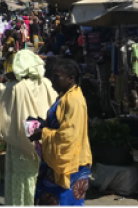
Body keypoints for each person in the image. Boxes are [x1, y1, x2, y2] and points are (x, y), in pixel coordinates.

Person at [0, 50, 58, 205]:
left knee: (19, 182)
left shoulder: (11, 88)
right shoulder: (47, 84)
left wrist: (3, 78)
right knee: (39, 180)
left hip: (19, 146)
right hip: (44, 142)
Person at [30, 59, 92, 206]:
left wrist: (43, 133)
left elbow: (69, 134)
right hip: (58, 161)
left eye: (57, 77)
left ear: (70, 78)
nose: (52, 82)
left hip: (71, 164)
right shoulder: (65, 97)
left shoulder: (74, 100)